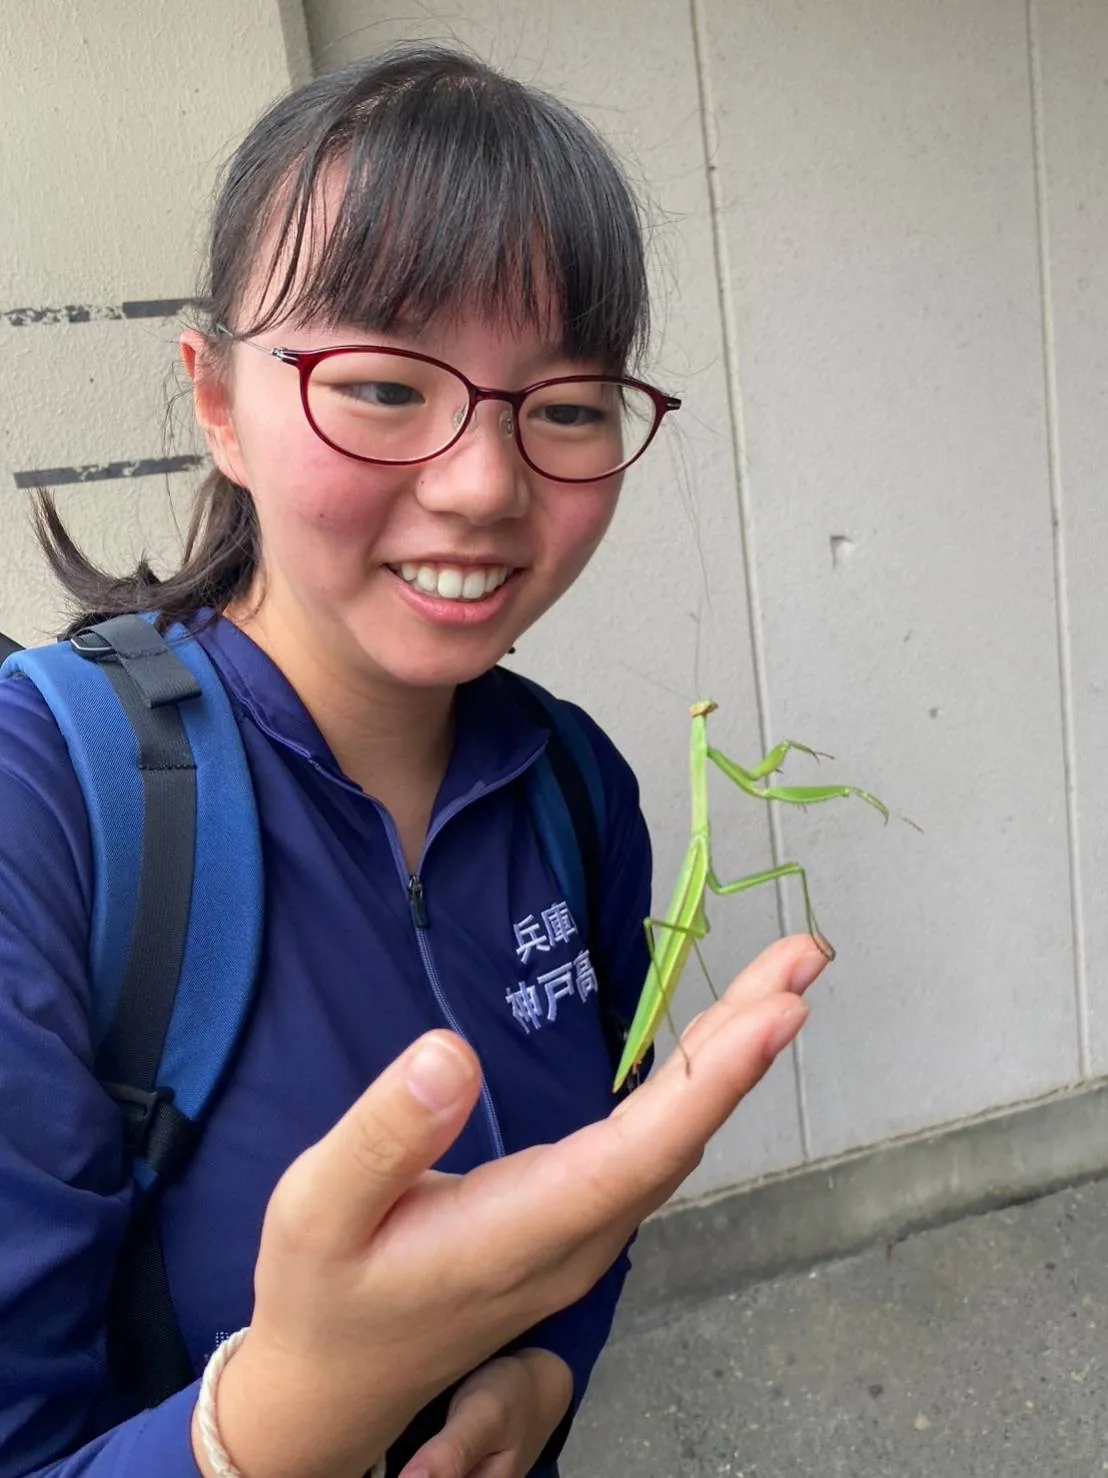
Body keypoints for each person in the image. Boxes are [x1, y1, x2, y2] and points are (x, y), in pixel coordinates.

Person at [0, 44, 826, 1478]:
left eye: (566, 407)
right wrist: (290, 1415)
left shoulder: (576, 788)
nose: (486, 483)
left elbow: (587, 1194)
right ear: (215, 403)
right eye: (382, 384)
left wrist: (541, 1375)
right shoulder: (48, 807)